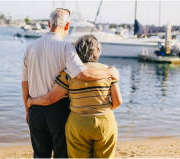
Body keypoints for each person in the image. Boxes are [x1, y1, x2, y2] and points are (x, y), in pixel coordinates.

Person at [21, 9, 120, 159]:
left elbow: (24, 83)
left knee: (40, 155)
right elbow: (83, 74)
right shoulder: (67, 47)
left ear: (49, 24)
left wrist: (28, 108)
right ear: (67, 25)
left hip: (35, 110)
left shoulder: (30, 47)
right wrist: (111, 72)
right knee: (62, 155)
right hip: (58, 111)